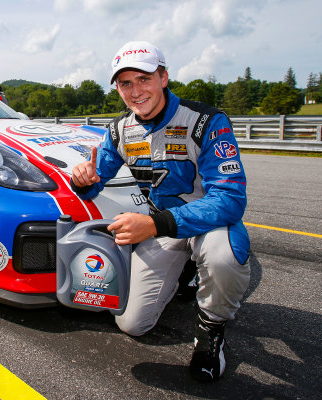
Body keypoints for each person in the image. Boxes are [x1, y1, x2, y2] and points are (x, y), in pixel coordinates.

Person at [71, 41, 251, 382]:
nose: (136, 91)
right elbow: (96, 181)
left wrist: (155, 224)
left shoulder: (206, 122)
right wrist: (83, 179)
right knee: (133, 325)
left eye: (144, 79)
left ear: (164, 77)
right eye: (125, 83)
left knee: (224, 257)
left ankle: (211, 329)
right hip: (163, 229)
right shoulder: (119, 130)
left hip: (207, 226)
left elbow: (230, 199)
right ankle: (184, 273)